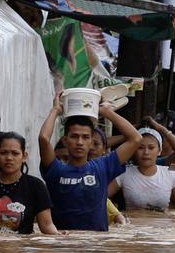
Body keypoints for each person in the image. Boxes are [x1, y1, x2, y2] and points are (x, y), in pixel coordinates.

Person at [38, 95, 142, 231]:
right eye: (74, 136)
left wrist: (107, 112)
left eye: (85, 137)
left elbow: (135, 138)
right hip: (62, 245)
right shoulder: (55, 170)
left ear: (91, 142)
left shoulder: (103, 167)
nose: (79, 142)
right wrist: (56, 110)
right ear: (65, 140)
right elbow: (44, 139)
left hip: (96, 245)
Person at [0, 132, 58, 235]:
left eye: (15, 153)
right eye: (4, 153)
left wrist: (59, 238)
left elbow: (47, 226)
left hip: (22, 249)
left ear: (24, 156)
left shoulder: (36, 186)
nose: (9, 158)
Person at [110, 128, 175, 213]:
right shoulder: (124, 173)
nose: (146, 152)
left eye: (151, 148)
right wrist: (116, 214)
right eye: (140, 148)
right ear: (134, 150)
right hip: (133, 227)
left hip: (161, 228)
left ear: (159, 151)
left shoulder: (170, 174)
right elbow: (100, 196)